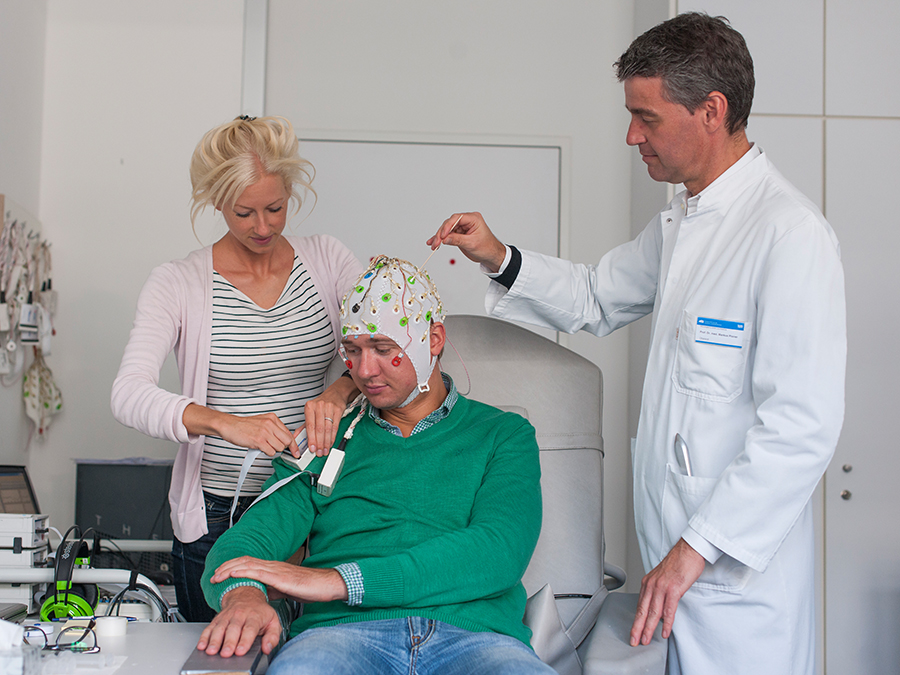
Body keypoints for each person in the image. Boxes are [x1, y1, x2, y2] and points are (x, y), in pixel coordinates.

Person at [427, 13, 846, 675]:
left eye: (645, 117)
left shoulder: (788, 235)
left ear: (711, 110)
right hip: (672, 569)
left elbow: (801, 425)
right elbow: (597, 296)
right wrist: (500, 256)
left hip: (737, 584)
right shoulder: (683, 220)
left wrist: (695, 548)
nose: (632, 135)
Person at [195, 256, 554, 675]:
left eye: (384, 349)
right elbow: (244, 547)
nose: (364, 371)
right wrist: (245, 597)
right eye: (352, 351)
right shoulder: (324, 442)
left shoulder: (503, 434)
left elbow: (498, 551)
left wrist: (339, 580)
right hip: (341, 638)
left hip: (477, 639)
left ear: (433, 339)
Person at [111, 115, 363, 622]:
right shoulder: (179, 283)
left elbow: (382, 351)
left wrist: (338, 392)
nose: (263, 226)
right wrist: (226, 423)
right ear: (214, 200)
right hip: (214, 519)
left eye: (275, 207)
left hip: (313, 507)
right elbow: (128, 393)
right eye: (244, 212)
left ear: (291, 190)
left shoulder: (328, 261)